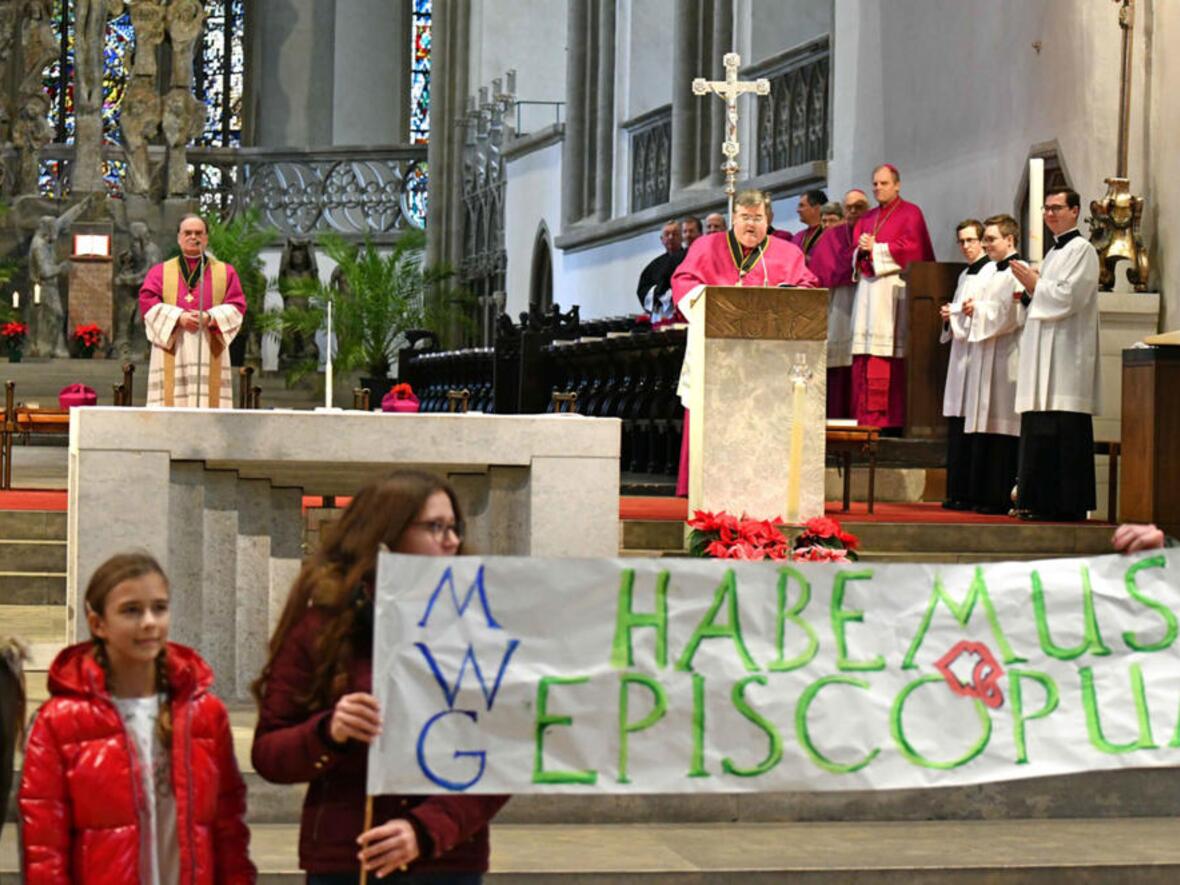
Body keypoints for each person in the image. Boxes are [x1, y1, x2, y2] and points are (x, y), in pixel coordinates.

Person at [252, 471, 507, 883]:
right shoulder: (324, 624)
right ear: (386, 534)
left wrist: (425, 828)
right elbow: (268, 752)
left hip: (446, 857)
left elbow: (499, 751)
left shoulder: (476, 625)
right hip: (347, 853)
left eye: (454, 527)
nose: (452, 541)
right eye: (434, 527)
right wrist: (327, 732)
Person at [19, 552, 255, 884]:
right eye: (131, 610)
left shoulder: (204, 714)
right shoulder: (59, 722)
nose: (149, 622)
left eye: (159, 608)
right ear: (98, 623)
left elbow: (229, 830)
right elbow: (45, 849)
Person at [670, 189, 819, 496]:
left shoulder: (787, 253)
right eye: (745, 218)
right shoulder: (706, 246)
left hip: (769, 356)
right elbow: (683, 281)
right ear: (733, 218)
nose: (751, 225)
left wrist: (789, 295)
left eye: (758, 218)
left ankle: (764, 483)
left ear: (770, 220)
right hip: (716, 349)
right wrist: (713, 301)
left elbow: (807, 285)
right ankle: (701, 482)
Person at [1009, 188, 1100, 521]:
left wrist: (1035, 284)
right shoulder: (1052, 253)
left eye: (1057, 208)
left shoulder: (1083, 250)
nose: (1050, 214)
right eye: (1046, 209)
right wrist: (1029, 292)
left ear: (1075, 211)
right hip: (1044, 355)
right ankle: (1038, 501)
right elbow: (1045, 297)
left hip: (1066, 357)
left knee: (1065, 430)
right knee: (1041, 427)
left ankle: (1067, 504)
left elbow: (1069, 298)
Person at [849, 163, 935, 431]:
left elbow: (914, 248)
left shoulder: (911, 213)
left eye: (884, 183)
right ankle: (863, 418)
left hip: (892, 291)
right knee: (865, 351)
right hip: (868, 291)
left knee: (887, 352)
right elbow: (855, 251)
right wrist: (862, 252)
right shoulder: (867, 217)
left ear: (897, 185)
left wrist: (877, 248)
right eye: (875, 183)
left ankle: (889, 419)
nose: (878, 188)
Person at [139, 214, 247, 407]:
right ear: (179, 237)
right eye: (187, 233)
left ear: (206, 238)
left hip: (209, 343)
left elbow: (237, 306)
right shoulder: (159, 272)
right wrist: (177, 317)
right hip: (172, 345)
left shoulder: (225, 272)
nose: (193, 237)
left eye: (199, 233)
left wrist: (210, 317)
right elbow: (147, 303)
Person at [960, 214, 1025, 514]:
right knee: (984, 425)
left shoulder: (1018, 272)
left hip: (1007, 355)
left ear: (1010, 240)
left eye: (991, 239)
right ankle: (980, 494)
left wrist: (980, 309)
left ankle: (999, 497)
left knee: (1003, 427)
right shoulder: (989, 273)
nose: (986, 245)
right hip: (986, 352)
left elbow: (1011, 316)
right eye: (984, 239)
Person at [939, 219, 993, 509]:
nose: (966, 247)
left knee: (971, 421)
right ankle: (956, 490)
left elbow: (982, 311)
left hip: (978, 353)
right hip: (960, 355)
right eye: (961, 241)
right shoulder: (963, 274)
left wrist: (957, 314)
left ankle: (970, 492)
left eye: (971, 240)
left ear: (983, 241)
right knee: (957, 421)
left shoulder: (991, 271)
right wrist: (950, 318)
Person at [809, 189, 870, 418]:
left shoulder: (874, 232)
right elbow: (820, 273)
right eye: (849, 207)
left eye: (859, 206)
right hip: (839, 304)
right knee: (839, 358)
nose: (853, 211)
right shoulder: (831, 237)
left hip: (867, 300)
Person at [635, 220, 685, 323]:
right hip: (660, 313)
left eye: (675, 234)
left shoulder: (689, 258)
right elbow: (643, 289)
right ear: (662, 239)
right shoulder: (654, 265)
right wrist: (659, 293)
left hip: (683, 311)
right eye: (667, 234)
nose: (671, 237)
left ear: (681, 237)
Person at [775, 188, 827, 257]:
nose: (797, 210)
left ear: (816, 208)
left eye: (802, 206)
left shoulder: (830, 234)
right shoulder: (798, 236)